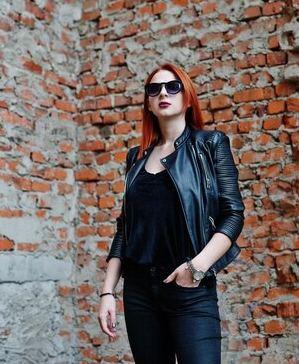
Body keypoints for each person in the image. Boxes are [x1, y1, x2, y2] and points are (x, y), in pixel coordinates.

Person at [97, 63, 245, 364]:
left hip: (190, 288)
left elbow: (233, 215)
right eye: (154, 89)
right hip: (140, 293)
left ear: (187, 98)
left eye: (172, 87)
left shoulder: (210, 145)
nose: (163, 92)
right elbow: (125, 229)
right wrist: (107, 292)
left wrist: (196, 268)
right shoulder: (135, 158)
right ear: (149, 105)